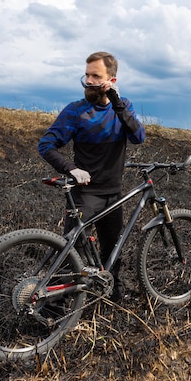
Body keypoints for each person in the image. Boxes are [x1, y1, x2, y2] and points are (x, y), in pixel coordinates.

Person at [38, 51, 146, 301]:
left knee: (111, 251)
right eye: (86, 75)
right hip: (85, 195)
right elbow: (46, 145)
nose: (89, 81)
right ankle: (54, 309)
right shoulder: (76, 111)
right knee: (69, 254)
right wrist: (71, 169)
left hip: (113, 193)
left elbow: (138, 137)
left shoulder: (123, 107)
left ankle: (113, 297)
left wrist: (116, 101)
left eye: (96, 76)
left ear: (112, 80)